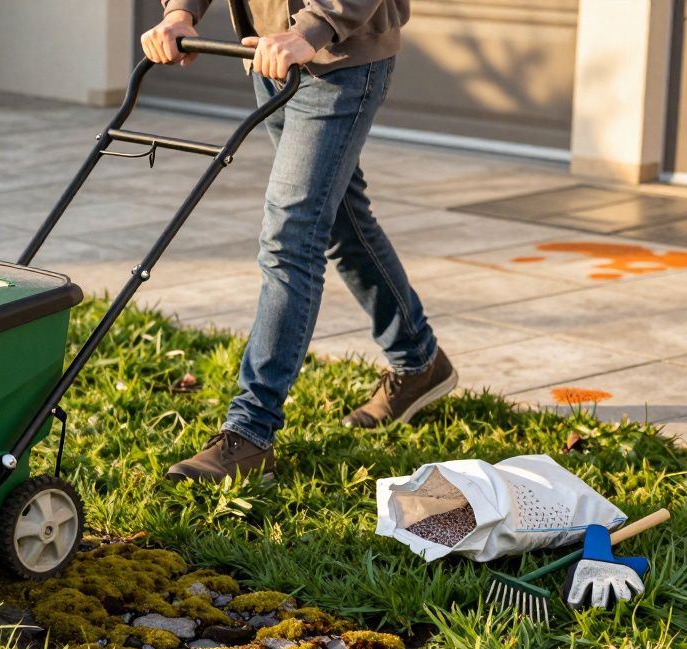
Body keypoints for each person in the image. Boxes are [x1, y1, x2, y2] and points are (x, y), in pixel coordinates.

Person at [142, 0, 457, 483]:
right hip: (270, 56)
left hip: (339, 60)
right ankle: (419, 361)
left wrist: (313, 28)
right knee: (340, 223)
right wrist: (180, 12)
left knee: (291, 237)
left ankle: (251, 431)